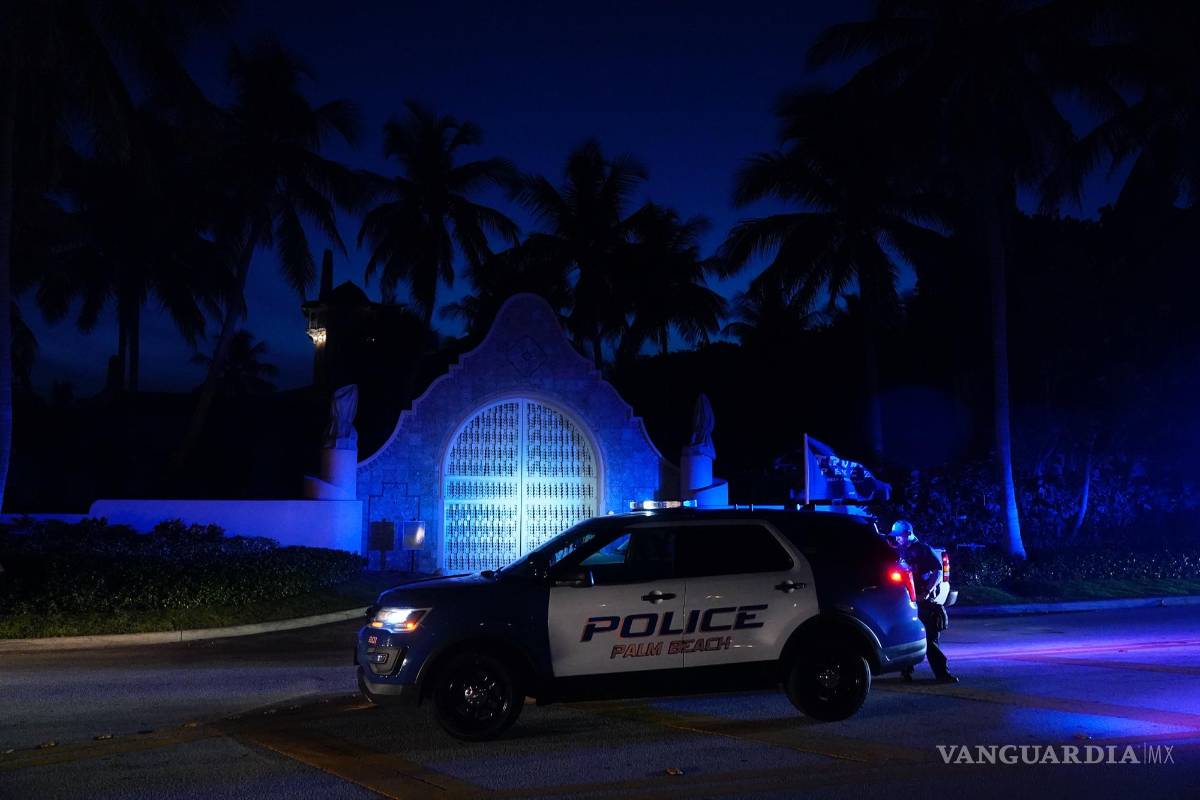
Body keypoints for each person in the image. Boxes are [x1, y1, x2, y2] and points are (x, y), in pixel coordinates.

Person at [889, 520, 958, 684]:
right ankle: (906, 672)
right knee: (909, 636)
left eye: (899, 537)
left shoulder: (922, 549)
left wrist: (926, 591)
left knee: (930, 638)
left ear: (908, 534)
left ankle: (942, 673)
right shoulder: (901, 550)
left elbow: (937, 570)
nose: (896, 540)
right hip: (909, 600)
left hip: (923, 601)